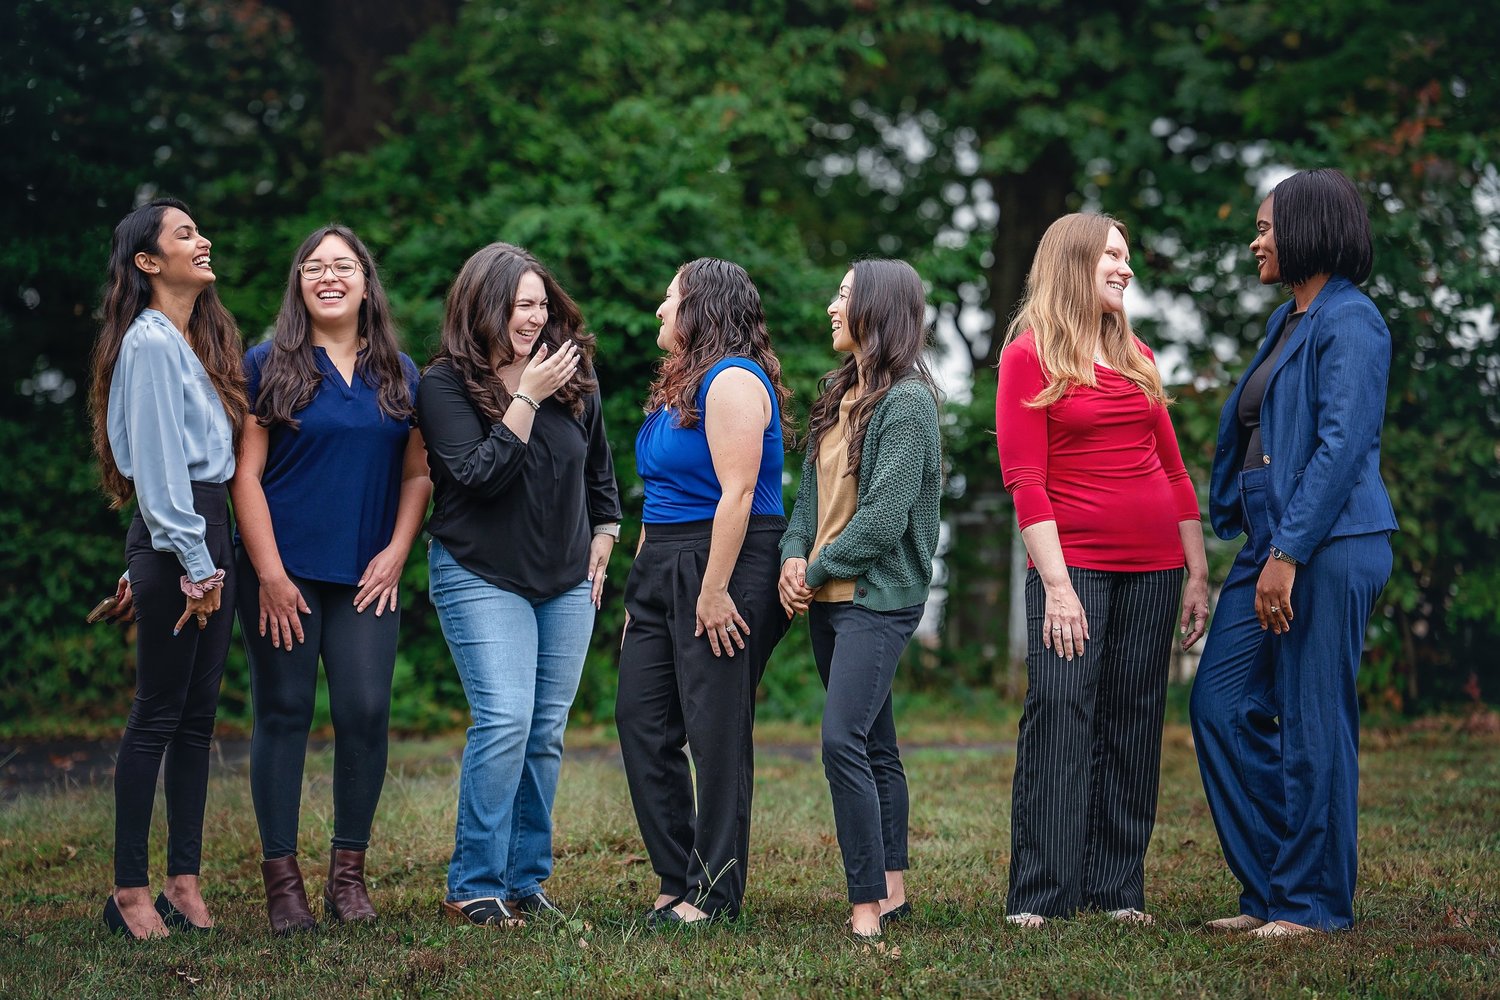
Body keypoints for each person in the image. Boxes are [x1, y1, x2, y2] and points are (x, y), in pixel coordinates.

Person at [1191, 169, 1398, 937]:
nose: (1256, 241)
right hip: (1270, 540)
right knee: (1218, 704)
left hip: (1328, 544)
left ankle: (1313, 904)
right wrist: (1265, 545)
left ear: (1310, 228)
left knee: (1313, 720)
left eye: (1268, 228)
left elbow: (1342, 447)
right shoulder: (1289, 322)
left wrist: (1289, 551)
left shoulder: (1354, 322)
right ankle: (1276, 886)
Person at [995, 213, 1209, 927]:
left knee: (1135, 717)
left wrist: (1198, 573)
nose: (1125, 269)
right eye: (1112, 256)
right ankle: (1042, 895)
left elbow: (1176, 475)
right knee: (1060, 713)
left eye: (1127, 258)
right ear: (1073, 262)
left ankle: (1116, 888)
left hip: (1155, 568)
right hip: (1073, 565)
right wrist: (1056, 585)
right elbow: (1026, 478)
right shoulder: (1029, 356)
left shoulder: (1139, 355)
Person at [229, 225, 431, 933]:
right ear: (300, 285)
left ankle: (349, 878)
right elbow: (244, 475)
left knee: (366, 711)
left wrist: (399, 550)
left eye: (343, 265)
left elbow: (417, 472)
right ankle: (283, 885)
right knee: (283, 714)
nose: (329, 276)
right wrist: (269, 573)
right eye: (314, 267)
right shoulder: (266, 364)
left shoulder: (400, 371)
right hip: (281, 574)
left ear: (367, 283)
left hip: (366, 574)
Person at [417, 243, 620, 927]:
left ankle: (525, 883)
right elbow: (476, 475)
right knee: (504, 717)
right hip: (479, 572)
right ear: (483, 306)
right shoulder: (443, 384)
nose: (533, 318)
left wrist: (607, 531)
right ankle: (473, 883)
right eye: (518, 305)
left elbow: (599, 469)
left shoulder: (571, 373)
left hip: (565, 579)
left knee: (545, 731)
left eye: (540, 304)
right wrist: (525, 398)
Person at [87, 198, 248, 938]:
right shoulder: (150, 342)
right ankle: (129, 892)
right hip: (187, 539)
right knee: (157, 713)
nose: (202, 238)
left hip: (207, 531)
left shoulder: (184, 343)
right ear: (148, 263)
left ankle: (184, 880)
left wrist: (201, 551)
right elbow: (156, 469)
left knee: (196, 720)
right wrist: (191, 564)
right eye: (185, 233)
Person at [616, 258, 793, 926]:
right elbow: (656, 501)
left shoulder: (733, 380)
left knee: (715, 732)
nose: (660, 311)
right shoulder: (677, 389)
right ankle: (676, 875)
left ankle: (715, 893)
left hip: (725, 559)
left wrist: (715, 589)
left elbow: (739, 492)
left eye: (669, 299)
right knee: (640, 718)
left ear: (699, 308)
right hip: (664, 560)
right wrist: (641, 596)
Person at [778, 259, 943, 941]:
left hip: (878, 596)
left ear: (877, 309)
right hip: (828, 593)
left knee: (841, 738)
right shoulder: (838, 393)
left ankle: (866, 907)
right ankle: (894, 887)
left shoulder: (908, 402)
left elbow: (882, 518)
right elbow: (810, 502)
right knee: (874, 742)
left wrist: (814, 571)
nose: (831, 309)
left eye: (843, 297)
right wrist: (794, 556)